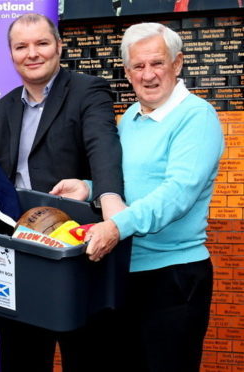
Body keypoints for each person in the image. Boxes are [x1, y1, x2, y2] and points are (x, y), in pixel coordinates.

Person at [52, 22, 224, 371]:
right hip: (124, 271)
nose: (148, 74)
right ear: (127, 73)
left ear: (177, 64)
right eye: (138, 66)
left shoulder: (197, 117)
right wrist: (88, 187)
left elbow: (177, 194)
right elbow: (127, 178)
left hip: (173, 278)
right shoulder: (131, 116)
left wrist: (117, 225)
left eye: (157, 63)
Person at [0, 13, 124, 372]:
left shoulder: (88, 91)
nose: (32, 53)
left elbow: (102, 148)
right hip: (19, 259)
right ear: (11, 54)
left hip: (79, 256)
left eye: (42, 43)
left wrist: (110, 201)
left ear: (59, 47)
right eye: (21, 46)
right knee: (21, 360)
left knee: (88, 358)